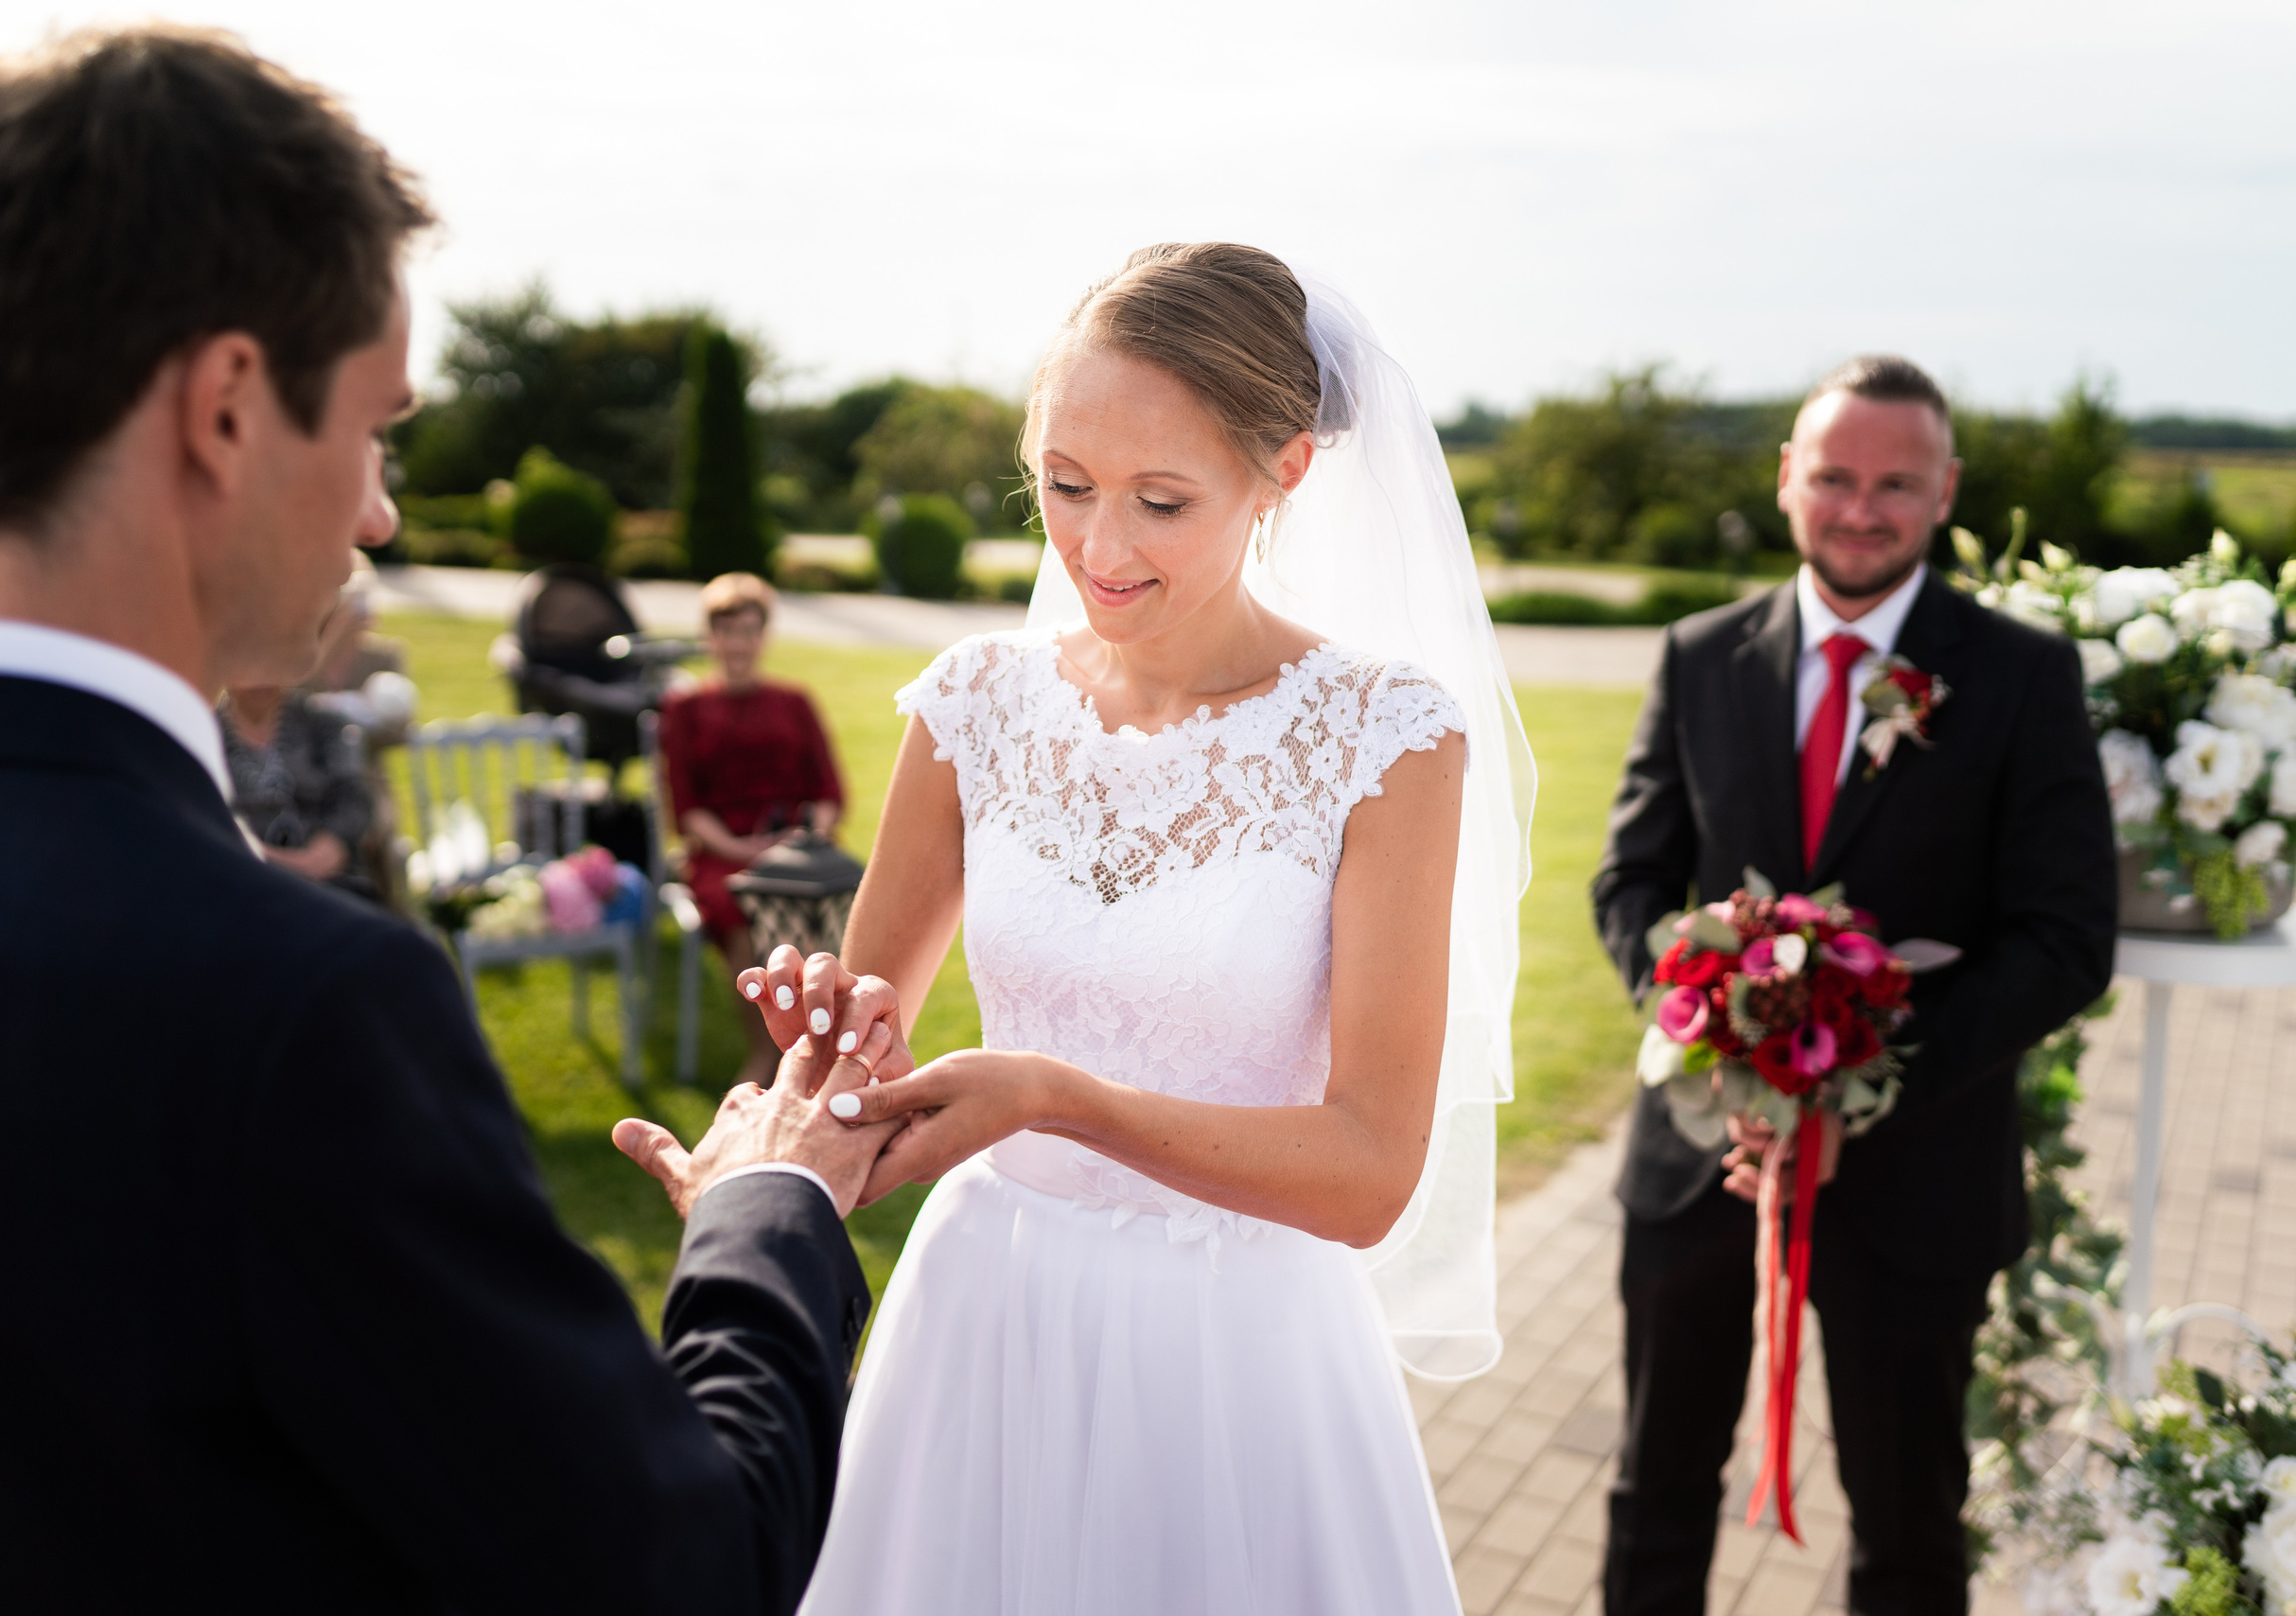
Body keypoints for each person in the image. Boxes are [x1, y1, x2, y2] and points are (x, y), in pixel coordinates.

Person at [0, 29, 912, 1610]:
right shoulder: (293, 1004)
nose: (377, 513)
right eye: (373, 427)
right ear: (226, 407)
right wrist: (772, 1206)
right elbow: (673, 1565)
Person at [743, 244, 1535, 1615]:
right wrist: (831, 1044)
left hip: (1237, 1358)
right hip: (986, 1322)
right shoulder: (974, 704)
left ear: (1284, 471)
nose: (1099, 549)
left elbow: (1365, 1173)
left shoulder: (1385, 736)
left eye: (1160, 500)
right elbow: (866, 1051)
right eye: (1064, 486)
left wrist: (1053, 1094)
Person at [1590, 357, 2116, 1616]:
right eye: (1834, 476)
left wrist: (1856, 1085)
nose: (1860, 508)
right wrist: (1724, 1059)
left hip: (1917, 1179)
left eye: (1897, 482)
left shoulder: (2020, 677)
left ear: (1944, 493)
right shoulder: (1699, 656)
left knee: (1909, 1529)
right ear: (1788, 481)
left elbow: (2065, 939)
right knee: (1656, 1495)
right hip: (1703, 1162)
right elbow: (1629, 888)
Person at [658, 571, 845, 1084]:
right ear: (710, 636)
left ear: (763, 635)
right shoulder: (685, 709)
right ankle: (770, 1050)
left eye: (748, 629)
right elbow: (686, 805)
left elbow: (827, 789)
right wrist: (740, 846)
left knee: (839, 898)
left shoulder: (794, 702)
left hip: (797, 845)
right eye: (726, 629)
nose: (737, 642)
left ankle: (831, 1043)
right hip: (725, 852)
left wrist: (810, 839)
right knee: (738, 906)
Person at [223, 568, 384, 901]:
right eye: (249, 665)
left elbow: (353, 797)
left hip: (329, 884)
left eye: (274, 665)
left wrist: (328, 849)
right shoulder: (208, 734)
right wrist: (281, 862)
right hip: (241, 884)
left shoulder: (320, 723)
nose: (261, 679)